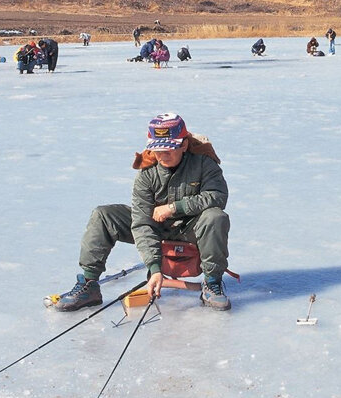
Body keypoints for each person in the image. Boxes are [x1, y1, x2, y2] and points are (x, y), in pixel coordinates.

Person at [53, 113, 231, 312]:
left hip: (192, 229)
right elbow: (142, 223)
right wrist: (155, 269)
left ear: (183, 144)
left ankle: (212, 283)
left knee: (216, 216)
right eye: (158, 149)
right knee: (103, 216)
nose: (163, 155)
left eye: (169, 149)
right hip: (157, 228)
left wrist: (175, 207)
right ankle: (89, 285)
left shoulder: (203, 163)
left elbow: (217, 196)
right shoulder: (147, 173)